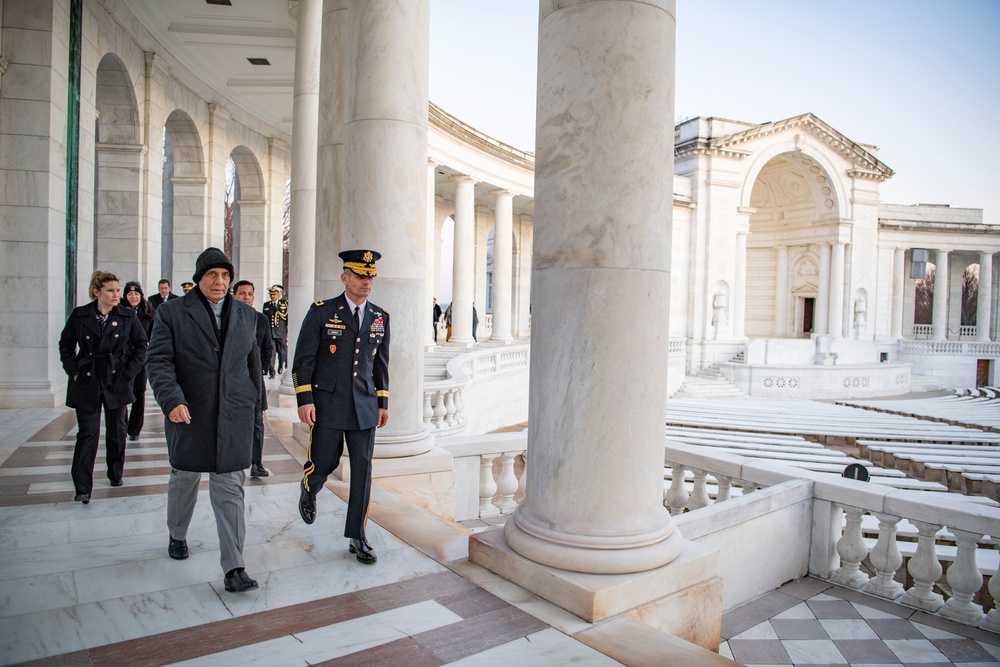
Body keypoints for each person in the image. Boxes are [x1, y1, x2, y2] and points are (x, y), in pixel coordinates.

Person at [147, 247, 262, 593]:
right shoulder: (172, 312)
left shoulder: (246, 314)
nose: (220, 281)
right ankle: (177, 534)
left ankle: (234, 567)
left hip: (233, 415)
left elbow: (251, 364)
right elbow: (158, 361)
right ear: (199, 278)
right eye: (213, 274)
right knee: (184, 477)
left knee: (229, 489)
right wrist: (172, 400)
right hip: (189, 414)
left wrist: (256, 408)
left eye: (225, 275)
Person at [292, 249, 389, 564]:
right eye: (361, 276)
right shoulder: (322, 312)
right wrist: (304, 399)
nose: (367, 282)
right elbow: (303, 360)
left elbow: (381, 366)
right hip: (328, 404)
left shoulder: (379, 317)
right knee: (324, 461)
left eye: (370, 276)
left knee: (362, 472)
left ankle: (357, 536)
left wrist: (383, 403)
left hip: (364, 406)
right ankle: (310, 487)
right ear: (345, 277)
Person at [58, 271, 147, 503]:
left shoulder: (128, 316)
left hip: (117, 378)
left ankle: (115, 473)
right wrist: (73, 370)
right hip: (87, 379)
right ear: (96, 292)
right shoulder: (80, 315)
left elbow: (141, 346)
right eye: (110, 290)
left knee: (117, 430)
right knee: (87, 433)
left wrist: (128, 373)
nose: (116, 295)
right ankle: (82, 488)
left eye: (118, 290)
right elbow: (66, 343)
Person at [232, 279, 275, 478]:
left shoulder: (261, 319)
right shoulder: (227, 317)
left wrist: (261, 369)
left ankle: (256, 462)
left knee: (257, 421)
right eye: (242, 293)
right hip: (232, 379)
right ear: (234, 295)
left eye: (249, 294)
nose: (246, 297)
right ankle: (232, 458)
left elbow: (268, 347)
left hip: (254, 380)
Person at [123, 281, 155, 441]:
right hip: (122, 360)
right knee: (122, 392)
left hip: (141, 359)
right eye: (130, 294)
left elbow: (154, 335)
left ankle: (134, 429)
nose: (133, 297)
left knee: (139, 393)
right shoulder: (119, 312)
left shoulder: (148, 313)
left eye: (136, 294)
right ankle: (122, 425)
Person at [263, 285, 288, 377]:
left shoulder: (285, 304)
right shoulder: (266, 305)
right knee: (271, 352)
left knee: (282, 352)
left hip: (281, 332)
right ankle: (271, 371)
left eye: (274, 294)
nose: (272, 296)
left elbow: (287, 319)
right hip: (270, 333)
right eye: (271, 295)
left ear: (279, 294)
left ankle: (281, 365)